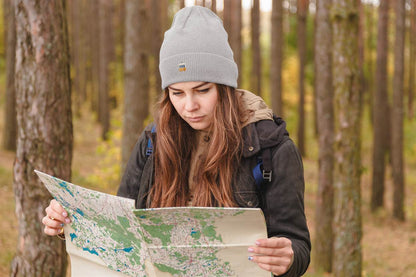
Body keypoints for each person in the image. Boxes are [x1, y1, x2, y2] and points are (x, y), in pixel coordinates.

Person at [42, 6, 311, 277]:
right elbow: (121, 232)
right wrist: (70, 223)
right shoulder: (152, 143)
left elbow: (297, 245)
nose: (189, 105)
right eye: (177, 92)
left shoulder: (270, 149)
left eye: (202, 90)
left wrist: (287, 258)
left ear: (225, 87)